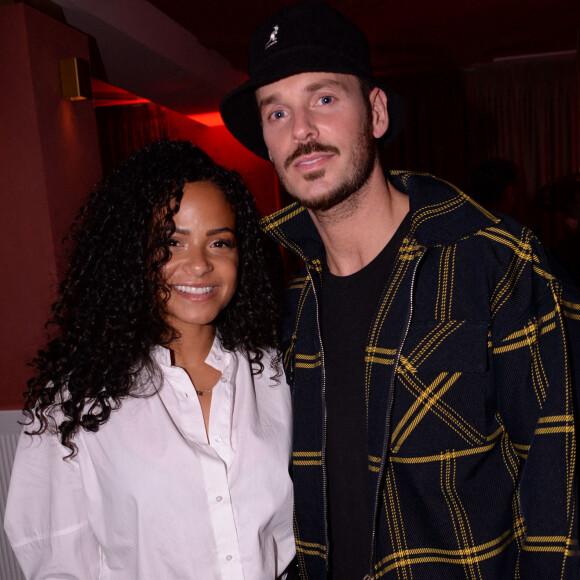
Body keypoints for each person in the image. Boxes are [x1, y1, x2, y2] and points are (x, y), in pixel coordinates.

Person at [220, 3, 580, 579]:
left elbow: (560, 482)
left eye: (325, 98)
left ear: (377, 112)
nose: (303, 130)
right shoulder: (269, 291)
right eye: (278, 112)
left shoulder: (496, 262)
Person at [4, 140, 295, 579]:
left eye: (219, 242)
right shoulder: (73, 404)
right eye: (172, 243)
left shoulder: (280, 377)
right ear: (132, 255)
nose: (198, 265)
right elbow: (57, 564)